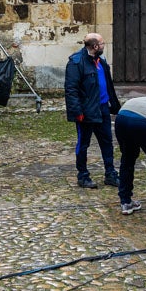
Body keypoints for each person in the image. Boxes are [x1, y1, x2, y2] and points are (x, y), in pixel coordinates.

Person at [62, 33, 120, 189]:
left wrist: (114, 105)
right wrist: (77, 112)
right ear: (95, 46)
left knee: (107, 142)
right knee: (83, 144)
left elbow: (108, 85)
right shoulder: (76, 62)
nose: (103, 45)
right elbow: (71, 89)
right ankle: (83, 176)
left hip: (102, 108)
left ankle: (110, 174)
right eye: (101, 43)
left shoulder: (101, 61)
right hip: (86, 112)